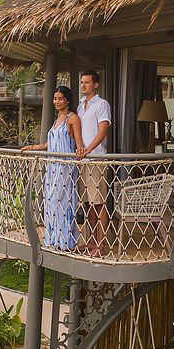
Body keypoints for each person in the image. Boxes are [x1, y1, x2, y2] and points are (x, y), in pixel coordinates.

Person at [21, 86, 84, 251]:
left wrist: (80, 152)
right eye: (55, 98)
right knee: (51, 203)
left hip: (65, 168)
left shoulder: (72, 118)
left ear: (68, 100)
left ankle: (66, 241)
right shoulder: (57, 120)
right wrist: (32, 147)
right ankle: (53, 239)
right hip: (52, 168)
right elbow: (49, 144)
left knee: (63, 202)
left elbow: (79, 144)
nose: (57, 101)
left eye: (60, 98)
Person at [75, 70, 111, 257]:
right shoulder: (81, 106)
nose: (83, 85)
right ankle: (90, 242)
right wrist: (81, 149)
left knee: (99, 203)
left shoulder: (102, 104)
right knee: (88, 203)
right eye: (82, 82)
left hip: (96, 159)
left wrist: (88, 149)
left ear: (95, 85)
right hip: (83, 160)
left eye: (87, 82)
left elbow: (103, 130)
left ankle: (101, 245)